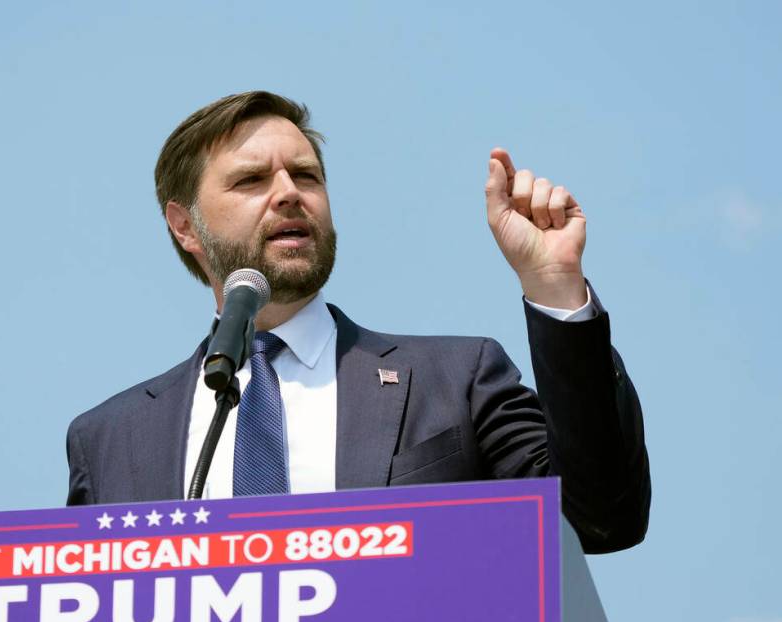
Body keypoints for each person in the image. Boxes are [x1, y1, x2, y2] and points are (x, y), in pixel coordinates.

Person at [66, 91, 650, 553]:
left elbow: (599, 521)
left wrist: (553, 287)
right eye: (251, 180)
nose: (289, 194)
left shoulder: (455, 379)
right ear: (185, 226)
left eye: (307, 175)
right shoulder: (110, 441)